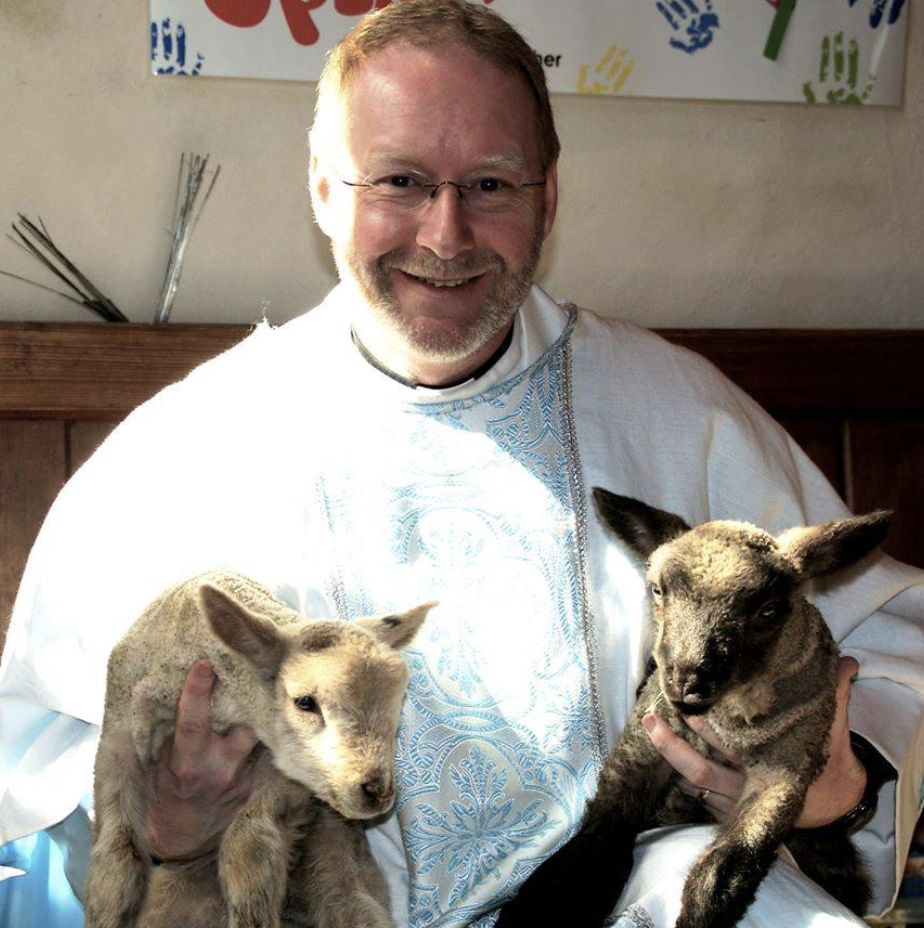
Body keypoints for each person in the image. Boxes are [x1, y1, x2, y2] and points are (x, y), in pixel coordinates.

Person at [1, 2, 922, 926]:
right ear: (323, 189)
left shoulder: (678, 412)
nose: (445, 235)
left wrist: (836, 785)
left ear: (547, 198)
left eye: (489, 183)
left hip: (626, 893)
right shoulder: (184, 447)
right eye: (400, 181)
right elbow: (43, 760)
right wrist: (171, 826)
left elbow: (885, 658)